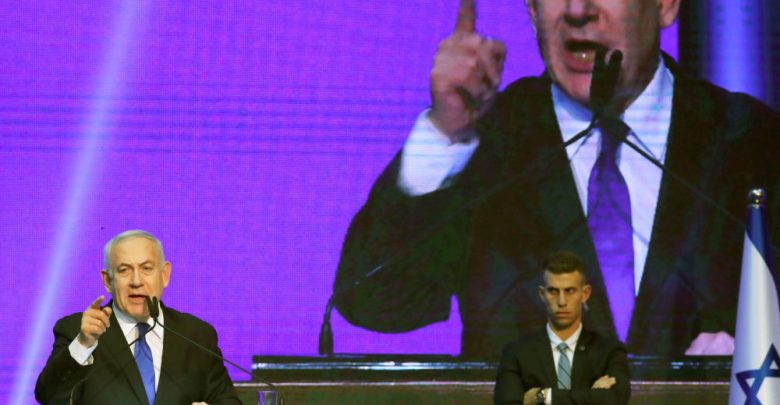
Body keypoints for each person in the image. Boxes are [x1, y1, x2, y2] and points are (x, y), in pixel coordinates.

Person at [334, 0, 780, 359]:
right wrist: (445, 131)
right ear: (531, 11)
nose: (577, 10)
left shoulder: (750, 141)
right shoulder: (489, 142)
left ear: (665, 5)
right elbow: (376, 302)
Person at [35, 230, 240, 405]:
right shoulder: (77, 331)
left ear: (164, 275)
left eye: (146, 268)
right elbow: (49, 397)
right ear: (107, 281)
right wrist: (83, 343)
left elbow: (228, 401)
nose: (136, 281)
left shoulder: (197, 335)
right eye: (124, 270)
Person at [494, 251, 629, 405]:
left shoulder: (609, 352)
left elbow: (614, 400)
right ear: (542, 294)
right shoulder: (516, 353)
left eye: (569, 291)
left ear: (585, 294)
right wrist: (592, 396)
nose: (562, 301)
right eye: (553, 291)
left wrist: (542, 396)